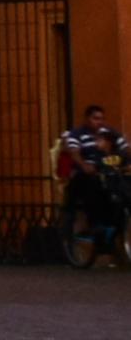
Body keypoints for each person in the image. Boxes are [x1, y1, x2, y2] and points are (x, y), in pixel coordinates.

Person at [55, 104, 130, 271]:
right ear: (87, 119)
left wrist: (122, 155)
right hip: (85, 175)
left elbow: (124, 146)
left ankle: (115, 227)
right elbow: (74, 150)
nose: (99, 122)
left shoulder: (108, 133)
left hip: (106, 171)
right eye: (95, 118)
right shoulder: (77, 134)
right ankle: (96, 226)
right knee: (92, 186)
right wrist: (83, 164)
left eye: (101, 119)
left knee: (123, 187)